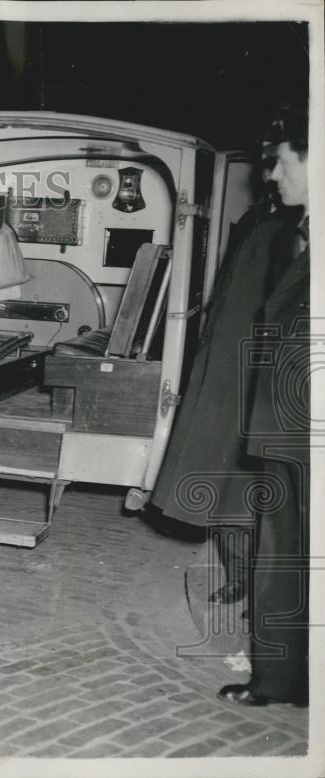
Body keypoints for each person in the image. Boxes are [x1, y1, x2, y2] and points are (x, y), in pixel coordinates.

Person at [150, 157, 285, 609]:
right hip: (228, 371)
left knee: (259, 494)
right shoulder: (255, 222)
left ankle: (268, 588)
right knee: (223, 488)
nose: (274, 175)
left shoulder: (295, 233)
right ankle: (241, 575)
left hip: (269, 374)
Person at [219, 104, 310, 707]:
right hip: (286, 431)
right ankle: (281, 679)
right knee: (283, 554)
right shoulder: (299, 238)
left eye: (279, 162)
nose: (271, 177)